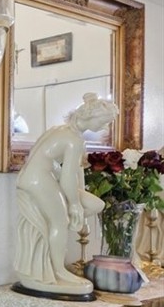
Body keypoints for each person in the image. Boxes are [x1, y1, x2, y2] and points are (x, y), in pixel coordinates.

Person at [14, 93, 119, 295]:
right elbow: (68, 177)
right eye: (104, 122)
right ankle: (58, 270)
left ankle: (58, 257)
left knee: (97, 204)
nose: (105, 128)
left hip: (41, 177)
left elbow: (67, 168)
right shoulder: (71, 138)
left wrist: (77, 201)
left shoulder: (66, 132)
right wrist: (73, 204)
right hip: (37, 179)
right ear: (91, 117)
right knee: (59, 222)